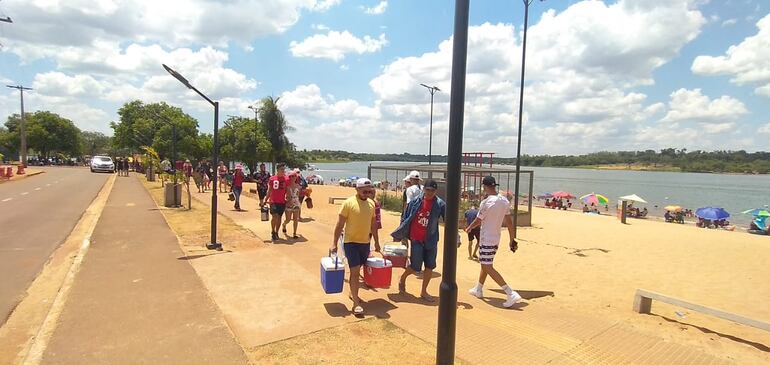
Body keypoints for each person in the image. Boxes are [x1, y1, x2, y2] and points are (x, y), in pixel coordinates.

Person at [465, 176, 522, 308]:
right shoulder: (504, 200)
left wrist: (469, 228)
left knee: (487, 265)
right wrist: (511, 238)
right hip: (496, 237)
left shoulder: (486, 202)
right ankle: (478, 288)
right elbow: (509, 222)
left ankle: (510, 292)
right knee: (486, 263)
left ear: (484, 187)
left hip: (486, 237)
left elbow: (478, 220)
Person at [330, 178, 380, 315]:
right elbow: (339, 225)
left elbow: (373, 225)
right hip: (350, 242)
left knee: (360, 270)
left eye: (369, 191)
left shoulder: (371, 204)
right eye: (364, 191)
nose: (367, 193)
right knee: (355, 271)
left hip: (365, 243)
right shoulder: (348, 203)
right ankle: (356, 304)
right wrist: (334, 243)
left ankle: (353, 293)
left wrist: (376, 242)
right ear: (357, 190)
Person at [390, 179, 445, 302]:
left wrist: (455, 235)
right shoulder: (415, 202)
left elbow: (448, 220)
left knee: (430, 266)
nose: (430, 192)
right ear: (424, 189)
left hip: (431, 239)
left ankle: (424, 291)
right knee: (415, 266)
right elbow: (405, 218)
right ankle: (403, 278)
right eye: (428, 190)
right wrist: (402, 235)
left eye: (432, 190)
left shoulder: (440, 204)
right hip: (416, 239)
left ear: (436, 191)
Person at [263, 163, 288, 241]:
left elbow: (287, 190)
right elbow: (269, 190)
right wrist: (266, 199)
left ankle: (277, 232)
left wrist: (287, 198)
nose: (283, 171)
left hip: (282, 201)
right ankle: (273, 231)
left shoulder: (286, 179)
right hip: (273, 201)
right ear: (278, 170)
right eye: (282, 169)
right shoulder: (272, 179)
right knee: (275, 216)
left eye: (284, 169)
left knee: (279, 217)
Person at [282, 171, 301, 238]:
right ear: (289, 177)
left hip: (296, 203)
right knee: (288, 219)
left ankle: (294, 233)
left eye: (294, 176)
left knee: (296, 219)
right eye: (291, 176)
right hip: (288, 203)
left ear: (296, 177)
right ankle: (284, 225)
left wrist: (298, 203)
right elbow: (284, 195)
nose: (293, 177)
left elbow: (298, 195)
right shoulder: (287, 186)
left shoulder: (298, 186)